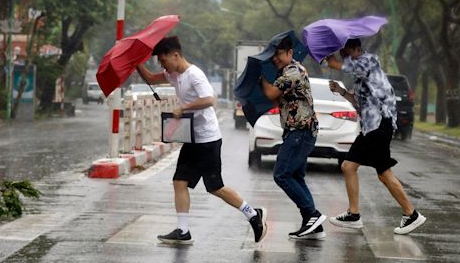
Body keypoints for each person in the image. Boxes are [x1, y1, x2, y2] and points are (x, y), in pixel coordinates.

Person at [137, 36, 267, 245]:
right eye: (161, 64)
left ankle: (253, 214)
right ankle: (183, 230)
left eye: (164, 61)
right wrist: (135, 62)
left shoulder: (194, 74)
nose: (163, 66)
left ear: (175, 55)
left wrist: (184, 107)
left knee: (215, 187)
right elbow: (151, 79)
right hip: (192, 139)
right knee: (179, 181)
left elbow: (209, 99)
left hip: (207, 139)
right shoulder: (174, 75)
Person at [326, 38, 426, 235]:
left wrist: (332, 60)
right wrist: (341, 91)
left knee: (383, 173)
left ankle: (411, 214)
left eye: (346, 52)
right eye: (342, 53)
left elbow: (341, 66)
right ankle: (354, 215)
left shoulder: (368, 61)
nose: (344, 56)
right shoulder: (360, 73)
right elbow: (358, 101)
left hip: (380, 124)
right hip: (369, 128)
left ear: (357, 49)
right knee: (348, 166)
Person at [260, 36, 326, 240]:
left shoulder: (292, 72)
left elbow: (271, 93)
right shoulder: (288, 71)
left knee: (282, 175)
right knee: (296, 176)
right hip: (298, 131)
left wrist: (261, 77)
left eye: (279, 54)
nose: (275, 59)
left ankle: (312, 215)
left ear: (290, 53)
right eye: (274, 56)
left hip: (301, 131)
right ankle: (312, 222)